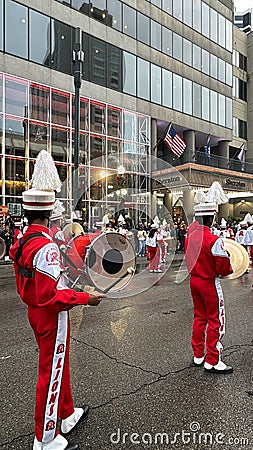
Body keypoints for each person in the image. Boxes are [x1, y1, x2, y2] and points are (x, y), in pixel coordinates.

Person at [9, 150, 106, 450]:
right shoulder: (46, 248)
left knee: (57, 367)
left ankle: (65, 414)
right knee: (49, 372)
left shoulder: (23, 240)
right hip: (49, 315)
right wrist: (84, 297)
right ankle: (45, 438)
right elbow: (51, 296)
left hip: (34, 313)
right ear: (50, 213)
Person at [184, 202, 233, 374]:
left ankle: (198, 355)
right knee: (215, 320)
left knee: (199, 317)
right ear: (211, 219)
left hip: (194, 280)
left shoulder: (189, 236)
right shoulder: (214, 240)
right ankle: (212, 360)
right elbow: (224, 267)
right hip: (209, 282)